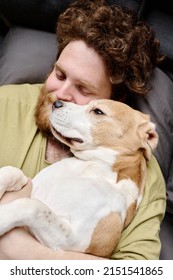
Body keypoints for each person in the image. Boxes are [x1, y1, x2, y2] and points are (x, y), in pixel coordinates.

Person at [0, 0, 166, 259]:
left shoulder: (139, 170)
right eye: (60, 74)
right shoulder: (5, 105)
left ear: (115, 101)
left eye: (83, 89)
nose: (61, 96)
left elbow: (139, 272)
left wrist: (22, 251)